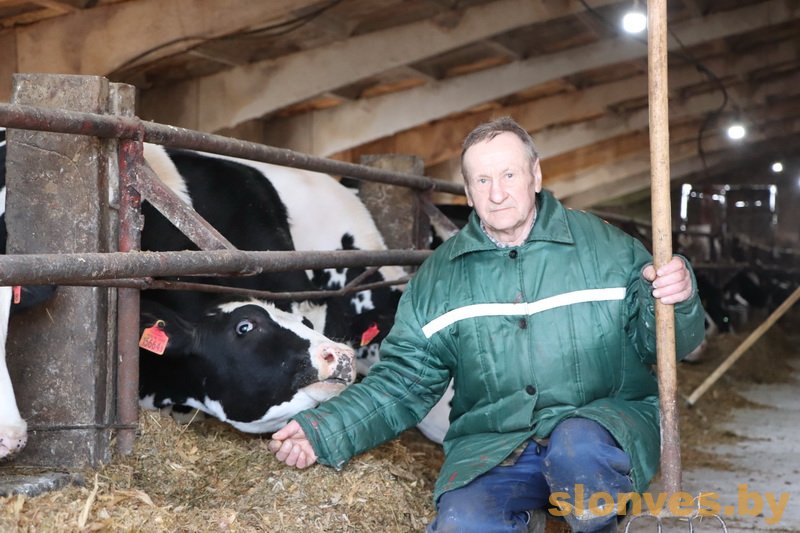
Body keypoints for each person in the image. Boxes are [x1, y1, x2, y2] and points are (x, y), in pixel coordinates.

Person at [269, 116, 706, 532]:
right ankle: (528, 518)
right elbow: (402, 383)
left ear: (536, 175)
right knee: (463, 524)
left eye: (509, 175)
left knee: (578, 451)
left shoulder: (608, 249)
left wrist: (678, 299)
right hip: (496, 444)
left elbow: (666, 346)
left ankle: (597, 525)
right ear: (467, 191)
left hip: (602, 427)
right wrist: (326, 430)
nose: (497, 194)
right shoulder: (440, 278)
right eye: (482, 180)